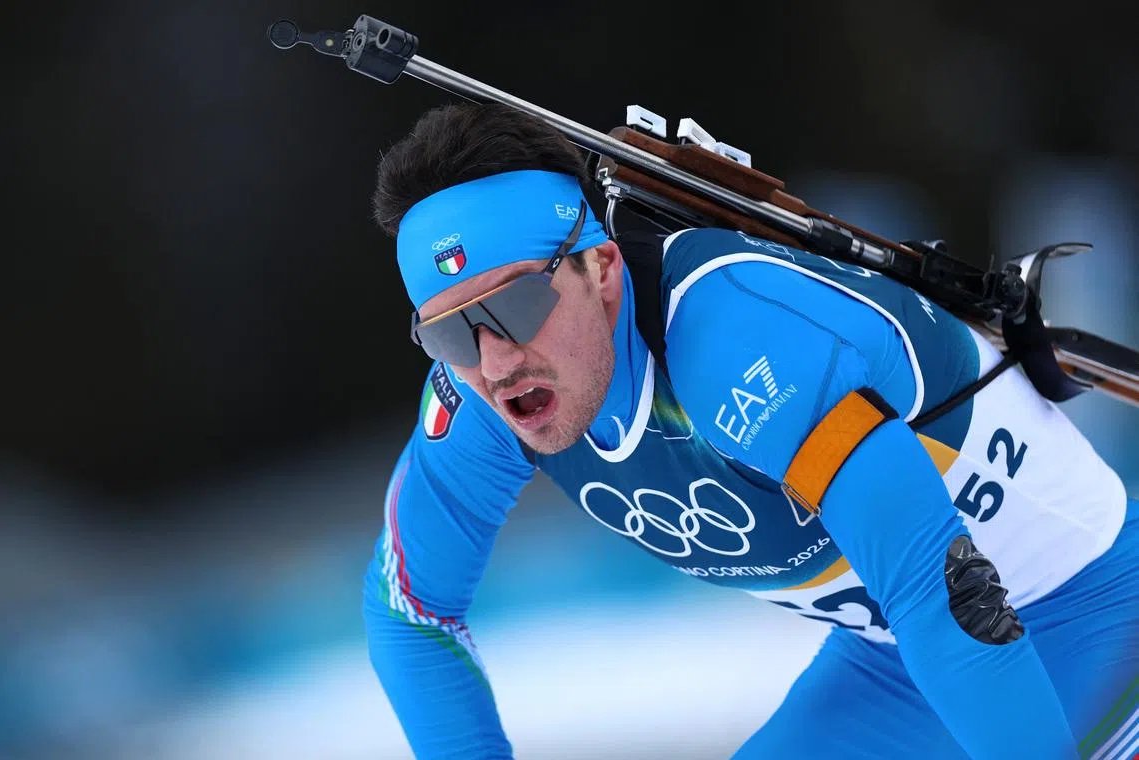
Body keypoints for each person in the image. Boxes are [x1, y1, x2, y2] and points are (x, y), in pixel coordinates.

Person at [361, 101, 1139, 759]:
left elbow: (943, 600)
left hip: (1086, 622)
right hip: (893, 666)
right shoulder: (488, 396)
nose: (493, 361)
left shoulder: (741, 339)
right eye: (452, 334)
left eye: (516, 305)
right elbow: (409, 612)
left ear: (600, 270)